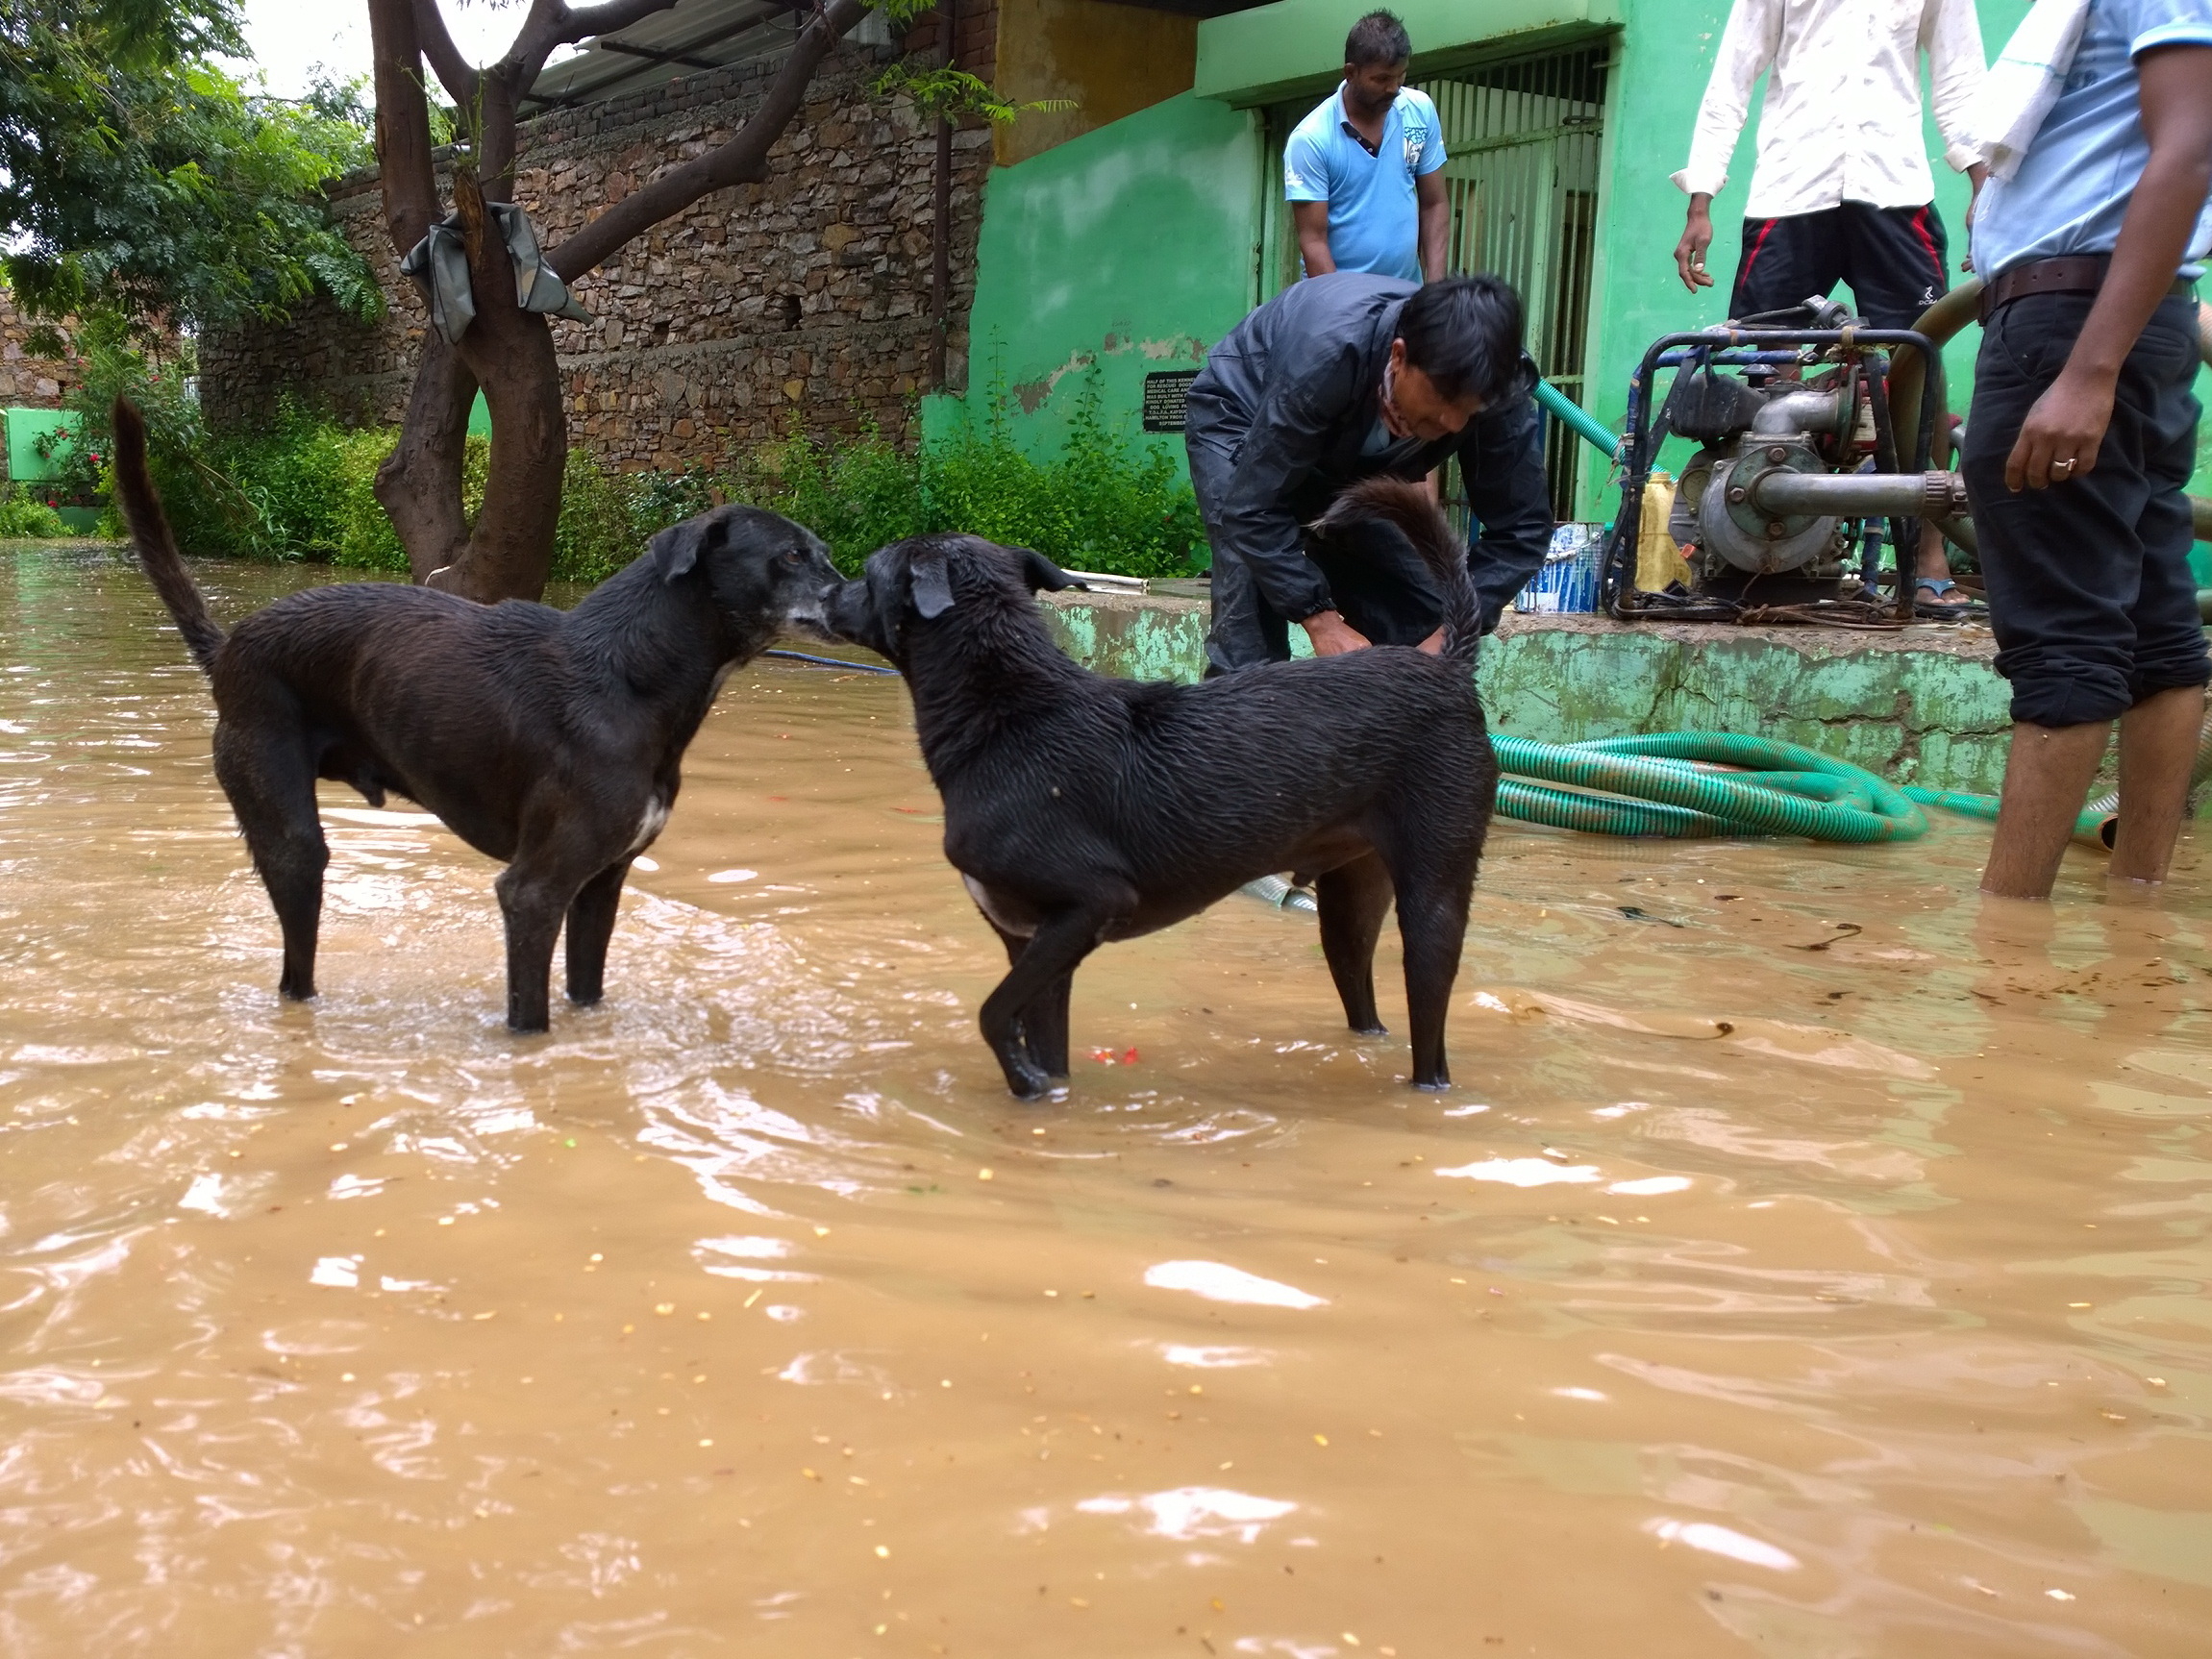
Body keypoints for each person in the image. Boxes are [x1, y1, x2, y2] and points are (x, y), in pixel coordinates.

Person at [1962, 0, 2212, 901]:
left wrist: (2086, 370)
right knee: (2156, 632)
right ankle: (2136, 907)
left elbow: (2189, 146)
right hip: (2132, 314)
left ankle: (2004, 943)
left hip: (2076, 321)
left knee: (2061, 635)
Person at [1671, 0, 1988, 614]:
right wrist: (1701, 200)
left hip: (1895, 187)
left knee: (1919, 372)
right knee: (1768, 376)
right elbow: (1732, 77)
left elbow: (1960, 77)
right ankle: (1763, 550)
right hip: (1791, 186)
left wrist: (1984, 187)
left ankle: (1928, 561)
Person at [1183, 272, 1552, 675]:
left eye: (1470, 408)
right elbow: (1253, 509)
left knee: (1424, 612)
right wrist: (1321, 621)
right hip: (1244, 417)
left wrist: (1444, 638)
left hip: (1349, 455)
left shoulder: (1499, 391)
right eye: (1443, 398)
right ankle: (1240, 729)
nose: (1452, 421)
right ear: (1399, 356)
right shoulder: (1326, 353)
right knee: (1250, 633)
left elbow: (1521, 530)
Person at [1284, 11, 1448, 285]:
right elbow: (1313, 241)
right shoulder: (1311, 139)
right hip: (1338, 301)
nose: (1393, 88)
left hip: (1405, 296)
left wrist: (1434, 290)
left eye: (1401, 76)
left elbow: (1435, 204)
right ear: (1350, 72)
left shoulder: (1419, 110)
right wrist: (1342, 312)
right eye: (1381, 79)